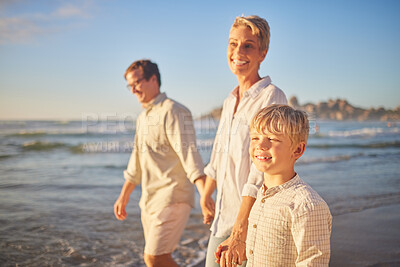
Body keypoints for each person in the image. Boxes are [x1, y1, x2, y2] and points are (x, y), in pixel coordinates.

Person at [200, 15, 287, 267]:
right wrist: (207, 195)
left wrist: (241, 229)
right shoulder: (230, 100)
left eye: (248, 45)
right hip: (223, 221)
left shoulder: (271, 97)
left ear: (263, 53)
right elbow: (219, 153)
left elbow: (263, 168)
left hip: (252, 223)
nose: (238, 51)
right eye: (233, 43)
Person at [113, 59, 206, 267]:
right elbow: (136, 162)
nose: (133, 90)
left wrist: (204, 194)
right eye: (130, 85)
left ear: (153, 79)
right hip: (150, 201)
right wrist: (124, 196)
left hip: (174, 195)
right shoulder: (143, 117)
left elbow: (189, 154)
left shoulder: (174, 111)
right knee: (159, 258)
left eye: (136, 83)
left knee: (154, 258)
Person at [243, 104, 332, 266]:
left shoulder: (307, 205)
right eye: (255, 137)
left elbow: (313, 262)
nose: (260, 145)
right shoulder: (261, 195)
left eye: (272, 138)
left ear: (297, 150)